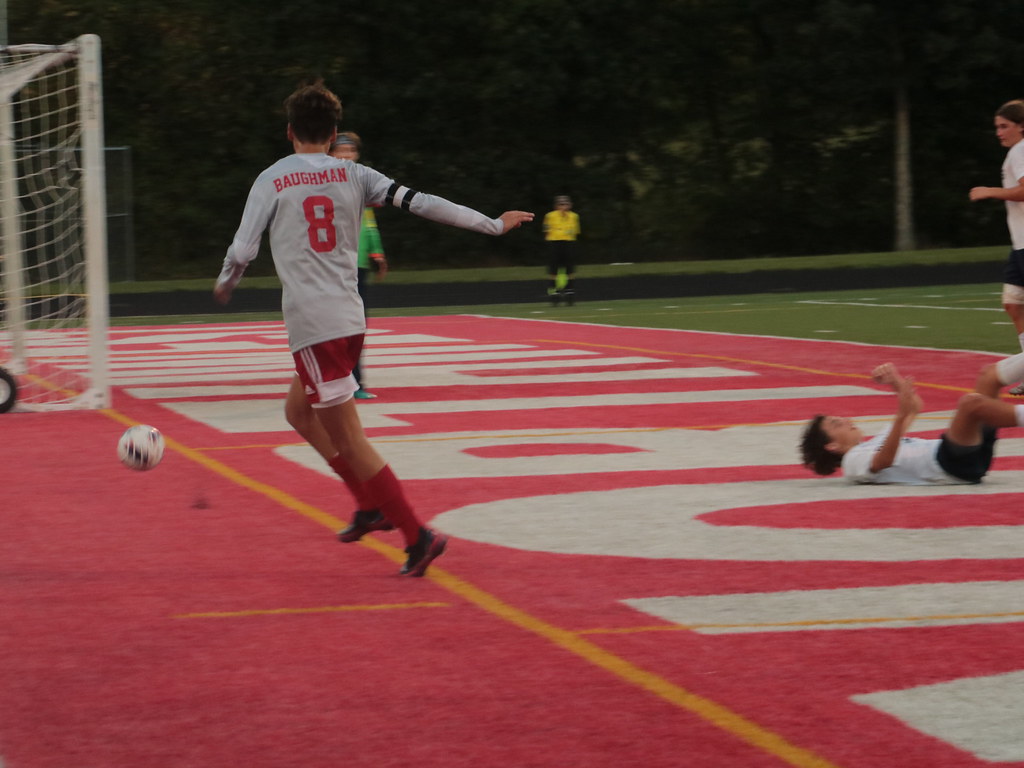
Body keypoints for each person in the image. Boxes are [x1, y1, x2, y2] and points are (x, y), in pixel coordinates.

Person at [214, 81, 533, 576]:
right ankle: (367, 505)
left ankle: (415, 533)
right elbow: (421, 201)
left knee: (351, 438)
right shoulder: (356, 173)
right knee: (298, 411)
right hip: (348, 316)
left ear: (290, 132)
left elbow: (241, 250)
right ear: (334, 132)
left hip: (314, 322)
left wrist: (226, 283)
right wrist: (490, 224)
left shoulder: (271, 178)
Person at [800, 353, 1024, 484]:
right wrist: (899, 416)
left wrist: (895, 381)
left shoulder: (874, 443)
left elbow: (914, 408)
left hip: (959, 452)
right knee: (970, 404)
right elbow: (882, 462)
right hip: (951, 463)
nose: (846, 420)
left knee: (988, 376)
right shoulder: (852, 462)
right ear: (832, 446)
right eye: (835, 423)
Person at [969, 99, 1024, 395]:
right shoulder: (1016, 152)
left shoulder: (1021, 150)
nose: (999, 132)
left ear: (1021, 127)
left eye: (1004, 126)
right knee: (1013, 304)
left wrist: (990, 191)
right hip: (1019, 246)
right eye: (997, 127)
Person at [329, 131, 386, 400]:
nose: (345, 155)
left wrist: (376, 252)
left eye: (350, 151)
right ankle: (330, 379)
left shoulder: (362, 182)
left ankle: (356, 382)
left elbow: (370, 222)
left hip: (358, 264)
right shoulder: (322, 183)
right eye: (340, 151)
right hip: (331, 264)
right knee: (331, 323)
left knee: (356, 324)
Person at [542, 194, 580, 306]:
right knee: (553, 269)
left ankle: (570, 292)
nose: (563, 206)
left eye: (566, 204)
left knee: (570, 269)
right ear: (556, 206)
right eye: (561, 204)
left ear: (570, 205)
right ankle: (554, 293)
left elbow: (575, 231)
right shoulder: (550, 216)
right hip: (554, 243)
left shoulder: (574, 216)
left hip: (569, 243)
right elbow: (546, 230)